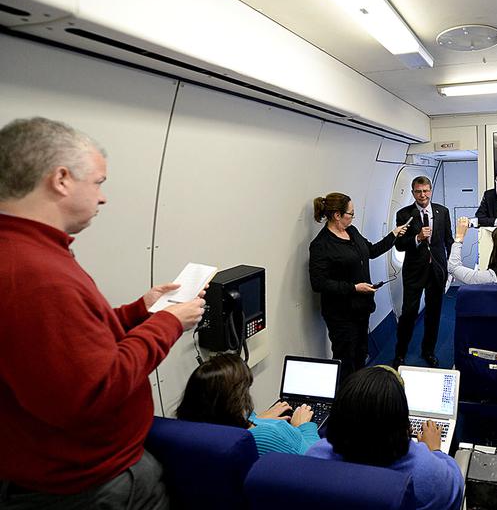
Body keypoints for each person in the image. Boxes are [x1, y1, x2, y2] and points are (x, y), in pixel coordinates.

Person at [0, 117, 205, 507]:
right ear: (61, 179)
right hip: (90, 485)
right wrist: (167, 322)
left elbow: (62, 348)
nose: (102, 197)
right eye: (98, 182)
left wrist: (135, 313)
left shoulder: (22, 253)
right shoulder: (34, 273)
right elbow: (95, 389)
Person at [305, 366, 464, 510]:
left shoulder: (315, 457)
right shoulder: (425, 471)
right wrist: (435, 450)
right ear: (402, 424)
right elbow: (455, 489)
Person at [309, 192, 407, 380]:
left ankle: (360, 393)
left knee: (361, 353)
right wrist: (354, 288)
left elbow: (370, 250)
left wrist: (393, 235)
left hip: (361, 308)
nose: (353, 217)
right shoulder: (321, 245)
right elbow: (319, 283)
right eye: (350, 214)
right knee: (346, 358)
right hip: (341, 313)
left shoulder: (351, 232)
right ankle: (346, 397)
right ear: (337, 215)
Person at [177, 353, 318, 456]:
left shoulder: (187, 436)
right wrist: (303, 426)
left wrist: (256, 420)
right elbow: (316, 460)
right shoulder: (265, 435)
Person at [393, 176, 454, 368]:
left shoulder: (442, 212)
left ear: (430, 191)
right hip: (414, 271)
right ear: (413, 193)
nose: (422, 195)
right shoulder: (404, 215)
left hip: (437, 270)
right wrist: (417, 238)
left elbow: (448, 240)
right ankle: (400, 353)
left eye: (426, 191)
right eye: (418, 191)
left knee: (434, 313)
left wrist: (451, 266)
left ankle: (428, 351)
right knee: (408, 313)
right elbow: (400, 245)